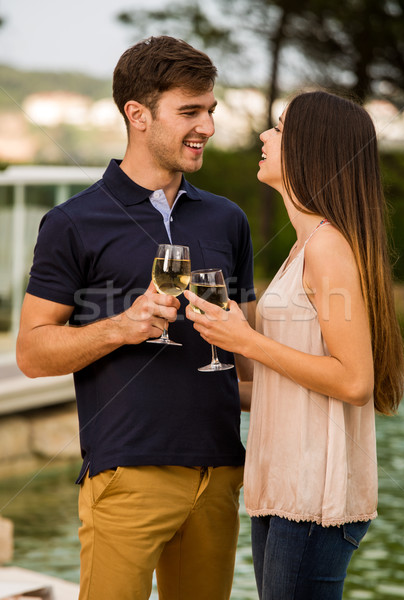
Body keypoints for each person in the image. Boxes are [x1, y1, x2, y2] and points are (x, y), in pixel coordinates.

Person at [16, 36, 256, 600]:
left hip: (220, 471)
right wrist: (122, 327)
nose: (208, 127)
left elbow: (246, 357)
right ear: (138, 114)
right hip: (128, 473)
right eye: (190, 112)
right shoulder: (73, 222)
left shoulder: (228, 220)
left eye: (211, 111)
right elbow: (31, 352)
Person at [185, 90, 404, 599]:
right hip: (281, 492)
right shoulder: (302, 247)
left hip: (313, 499)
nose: (264, 136)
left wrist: (246, 340)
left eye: (280, 128)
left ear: (313, 150)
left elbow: (354, 382)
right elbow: (290, 382)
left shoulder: (328, 248)